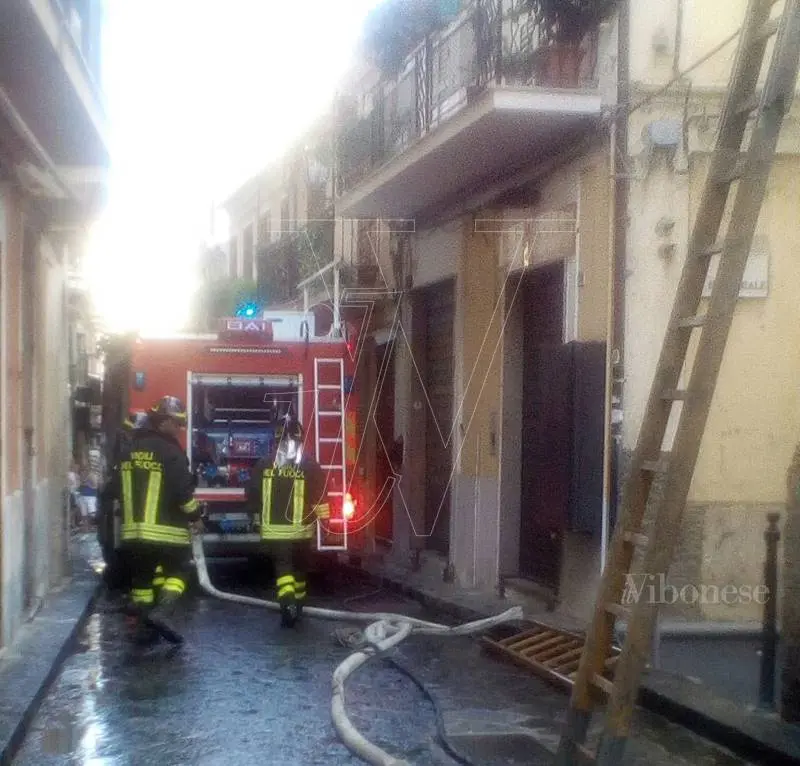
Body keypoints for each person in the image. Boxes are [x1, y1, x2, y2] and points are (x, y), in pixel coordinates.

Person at [106, 396, 202, 646]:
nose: (180, 429)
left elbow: (114, 489)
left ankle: (144, 627)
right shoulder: (171, 453)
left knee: (142, 581)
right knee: (181, 570)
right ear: (163, 422)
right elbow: (183, 494)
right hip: (167, 532)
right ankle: (163, 612)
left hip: (132, 534)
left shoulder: (128, 451)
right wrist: (196, 516)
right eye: (177, 423)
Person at [247, 417, 329, 628]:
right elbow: (320, 497)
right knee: (300, 568)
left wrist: (254, 519)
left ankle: (287, 607)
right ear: (300, 440)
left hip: (273, 530)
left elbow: (252, 495)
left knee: (283, 567)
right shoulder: (310, 465)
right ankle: (298, 606)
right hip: (302, 530)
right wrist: (326, 526)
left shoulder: (263, 464)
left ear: (276, 439)